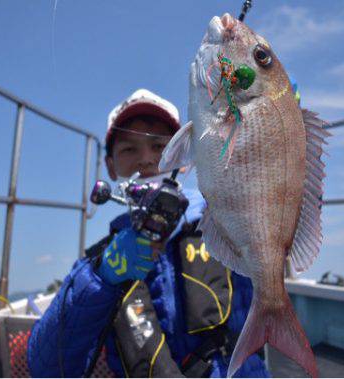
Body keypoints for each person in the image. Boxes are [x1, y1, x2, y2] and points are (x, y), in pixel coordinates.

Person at [27, 89, 270, 378]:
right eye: (129, 149)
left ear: (184, 155)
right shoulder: (100, 261)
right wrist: (101, 277)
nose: (146, 159)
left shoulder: (226, 214)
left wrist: (272, 117)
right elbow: (47, 368)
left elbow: (284, 209)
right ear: (110, 166)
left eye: (159, 147)